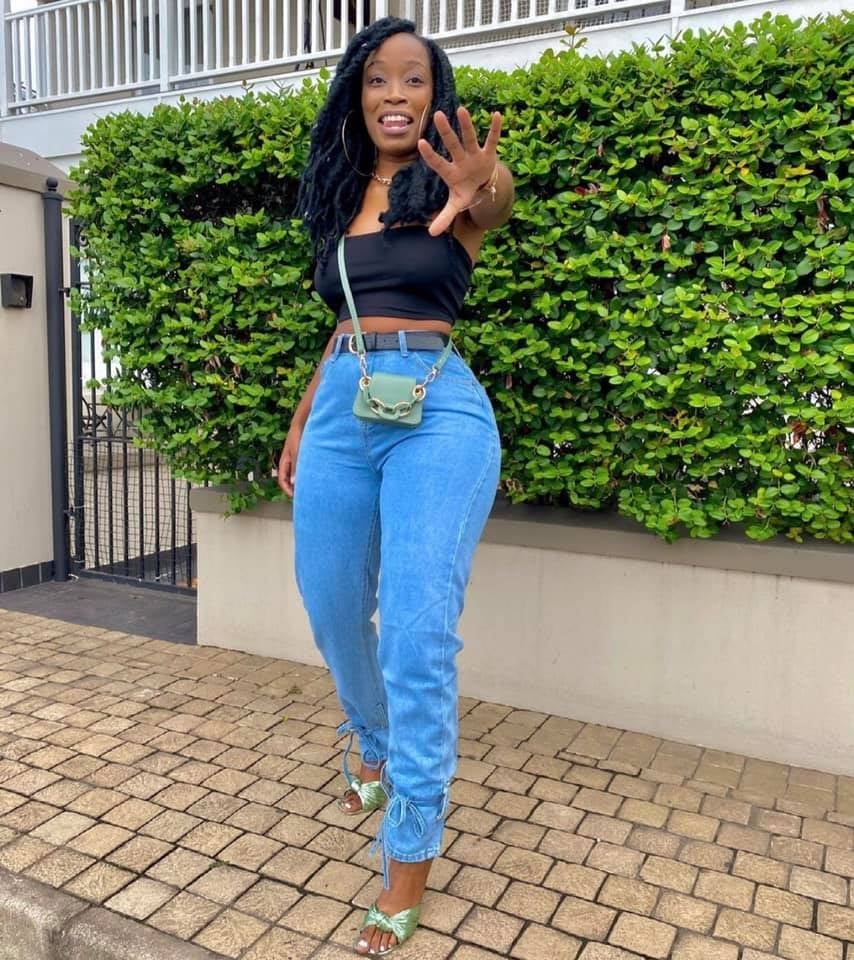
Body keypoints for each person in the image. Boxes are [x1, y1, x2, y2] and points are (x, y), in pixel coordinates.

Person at [276, 16, 514, 955]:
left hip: (438, 409)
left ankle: (408, 855)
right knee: (332, 602)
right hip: (344, 405)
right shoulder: (342, 193)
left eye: (414, 79)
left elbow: (494, 198)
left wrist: (480, 183)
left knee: (416, 632)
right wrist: (302, 422)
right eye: (379, 78)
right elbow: (343, 326)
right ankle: (370, 740)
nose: (396, 95)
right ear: (358, 93)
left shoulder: (454, 186)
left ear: (434, 94)